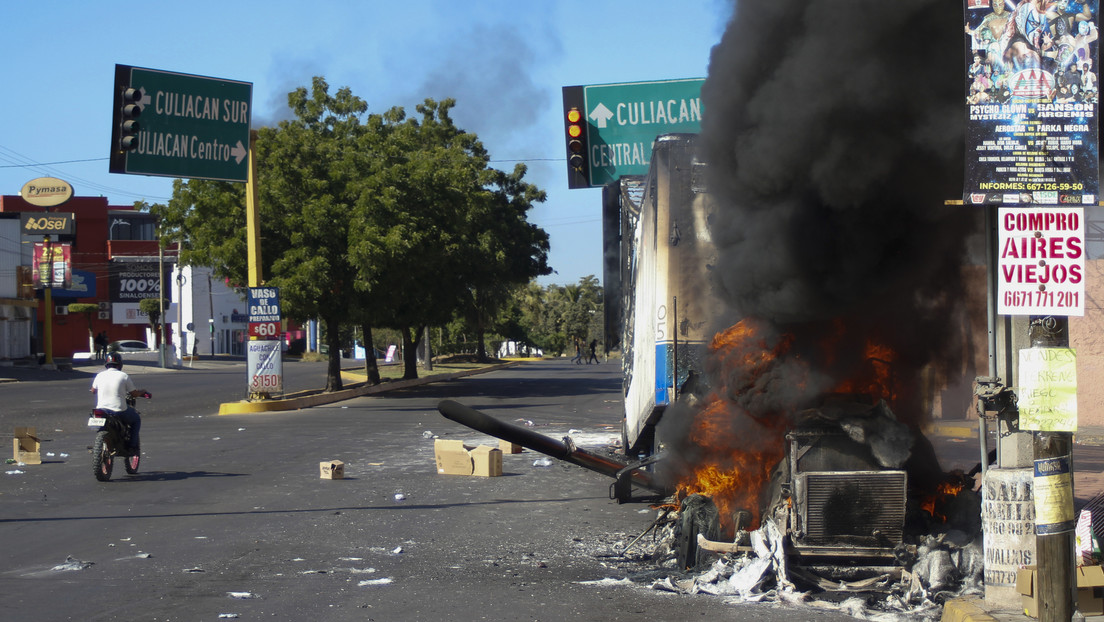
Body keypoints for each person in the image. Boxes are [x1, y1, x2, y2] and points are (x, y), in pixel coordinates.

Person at [90, 352, 145, 454]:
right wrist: (143, 392)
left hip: (101, 409)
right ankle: (132, 447)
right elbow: (134, 394)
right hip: (119, 410)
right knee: (136, 419)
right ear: (120, 364)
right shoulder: (124, 376)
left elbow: (93, 391)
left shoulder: (99, 375)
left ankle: (102, 445)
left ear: (106, 364)